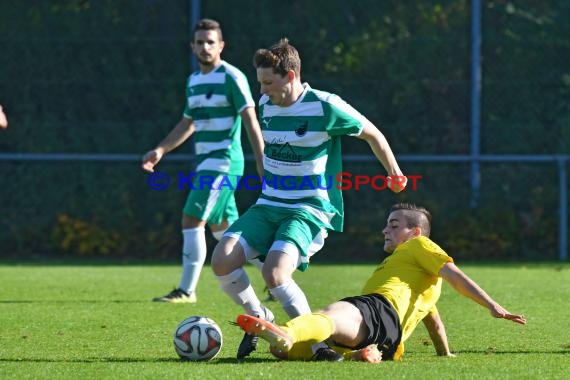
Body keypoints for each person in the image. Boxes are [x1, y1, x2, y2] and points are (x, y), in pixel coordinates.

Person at [211, 38, 407, 360]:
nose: (262, 92)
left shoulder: (325, 105)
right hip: (269, 203)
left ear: (290, 76)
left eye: (268, 83)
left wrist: (394, 172)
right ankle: (261, 316)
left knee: (274, 272)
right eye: (260, 83)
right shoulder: (267, 105)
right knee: (222, 259)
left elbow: (373, 133)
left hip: (308, 208)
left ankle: (319, 346)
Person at [235, 203, 527, 362]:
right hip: (388, 339)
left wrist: (492, 306)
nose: (385, 229)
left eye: (394, 225)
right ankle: (356, 355)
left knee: (330, 316)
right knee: (283, 351)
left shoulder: (420, 246)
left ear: (416, 232)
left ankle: (286, 330)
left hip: (377, 309)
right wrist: (445, 354)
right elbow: (431, 318)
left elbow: (455, 275)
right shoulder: (415, 274)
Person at [142, 19, 264, 304]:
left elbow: (250, 120)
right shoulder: (194, 81)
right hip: (206, 163)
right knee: (225, 230)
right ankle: (274, 273)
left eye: (210, 42)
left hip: (223, 163)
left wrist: (261, 160)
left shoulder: (232, 77)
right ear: (192, 46)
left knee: (191, 218)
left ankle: (186, 290)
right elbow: (188, 123)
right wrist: (161, 150)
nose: (205, 47)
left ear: (221, 45)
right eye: (200, 42)